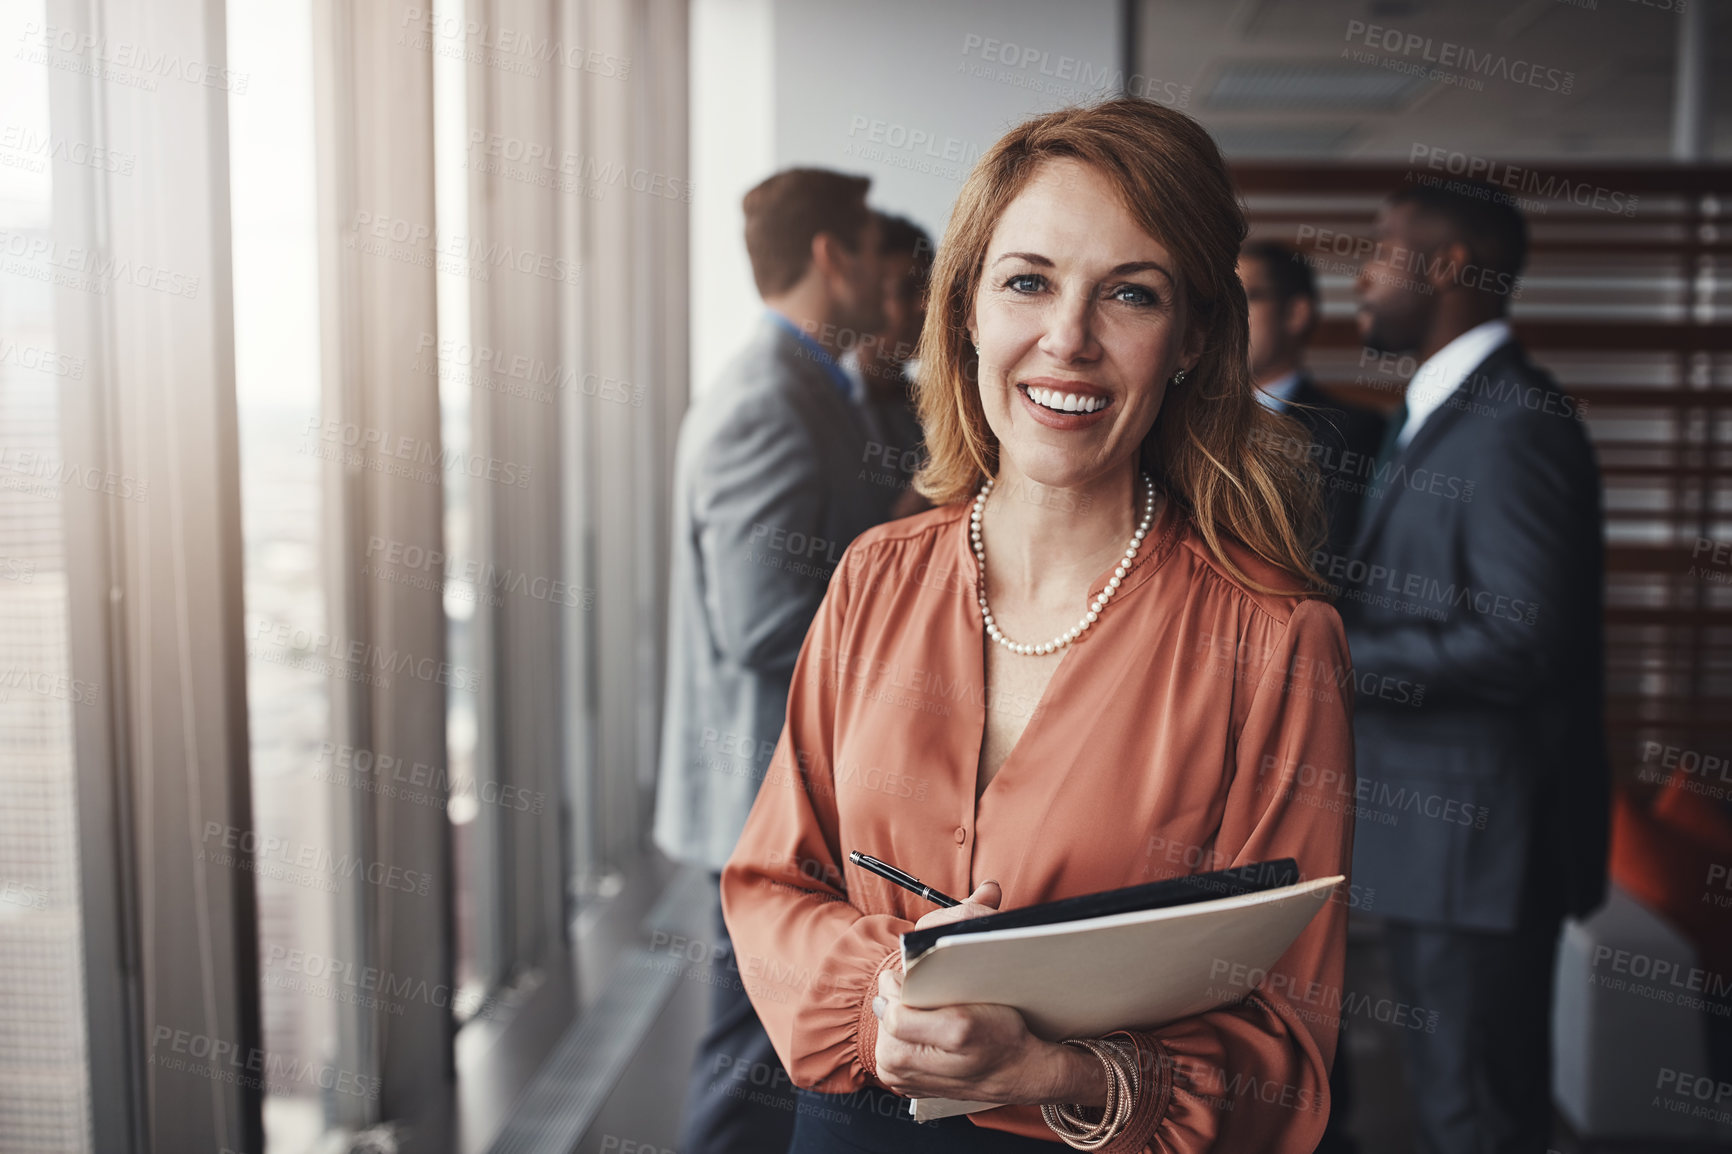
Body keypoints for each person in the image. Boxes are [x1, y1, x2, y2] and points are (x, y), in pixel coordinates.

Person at [721, 98, 1355, 1152]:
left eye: (1130, 294)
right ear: (965, 307)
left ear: (1192, 336)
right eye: (1028, 281)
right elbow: (771, 886)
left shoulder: (1276, 639)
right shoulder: (873, 579)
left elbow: (1286, 1052)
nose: (1068, 339)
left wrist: (1058, 1068)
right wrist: (885, 990)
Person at [1342, 178, 1609, 1154]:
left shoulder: (1510, 423)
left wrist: (1327, 651)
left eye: (1379, 249)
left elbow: (1524, 639)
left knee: (1476, 1115)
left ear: (1449, 267)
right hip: (1444, 851)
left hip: (1481, 853)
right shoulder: (1446, 410)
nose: (1360, 275)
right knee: (1454, 1101)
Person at [656, 166, 889, 1154]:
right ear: (833, 256)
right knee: (752, 1065)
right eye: (877, 251)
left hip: (781, 795)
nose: (889, 277)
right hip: (767, 801)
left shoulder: (813, 384)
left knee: (763, 1055)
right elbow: (762, 624)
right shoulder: (767, 397)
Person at [1237, 241, 1384, 561]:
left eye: (1245, 298)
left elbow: (1333, 561)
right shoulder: (1181, 421)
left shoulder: (1354, 432)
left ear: (1295, 313)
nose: (1227, 318)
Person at [849, 212, 935, 519]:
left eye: (928, 290)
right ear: (864, 296)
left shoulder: (923, 407)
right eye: (906, 290)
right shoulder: (822, 409)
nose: (926, 305)